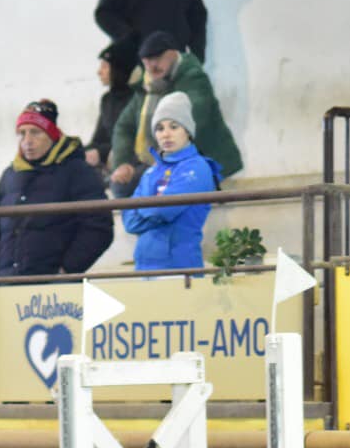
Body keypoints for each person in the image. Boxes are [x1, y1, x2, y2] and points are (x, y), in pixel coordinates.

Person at [108, 30, 242, 197]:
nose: (152, 66)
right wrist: (123, 163)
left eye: (157, 59)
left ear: (173, 53)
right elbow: (124, 127)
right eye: (147, 61)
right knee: (121, 186)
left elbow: (194, 116)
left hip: (199, 159)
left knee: (166, 188)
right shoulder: (147, 88)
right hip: (158, 161)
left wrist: (164, 158)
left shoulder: (193, 78)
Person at [0, 100, 113, 277]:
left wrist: (66, 269)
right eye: (22, 133)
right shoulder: (9, 176)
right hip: (7, 283)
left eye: (35, 132)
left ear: (52, 135)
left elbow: (99, 226)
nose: (27, 141)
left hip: (53, 287)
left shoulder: (77, 171)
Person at [122, 92, 220, 271]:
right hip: (144, 267)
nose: (166, 134)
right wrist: (153, 208)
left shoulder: (197, 167)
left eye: (174, 127)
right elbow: (129, 222)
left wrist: (145, 208)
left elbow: (162, 210)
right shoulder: (152, 171)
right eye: (160, 128)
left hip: (179, 267)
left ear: (187, 131)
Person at [86, 44, 131, 180]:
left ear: (117, 69)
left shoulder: (134, 98)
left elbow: (130, 141)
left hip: (125, 162)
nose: (99, 72)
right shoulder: (107, 99)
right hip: (106, 160)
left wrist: (101, 153)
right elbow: (98, 138)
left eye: (105, 67)